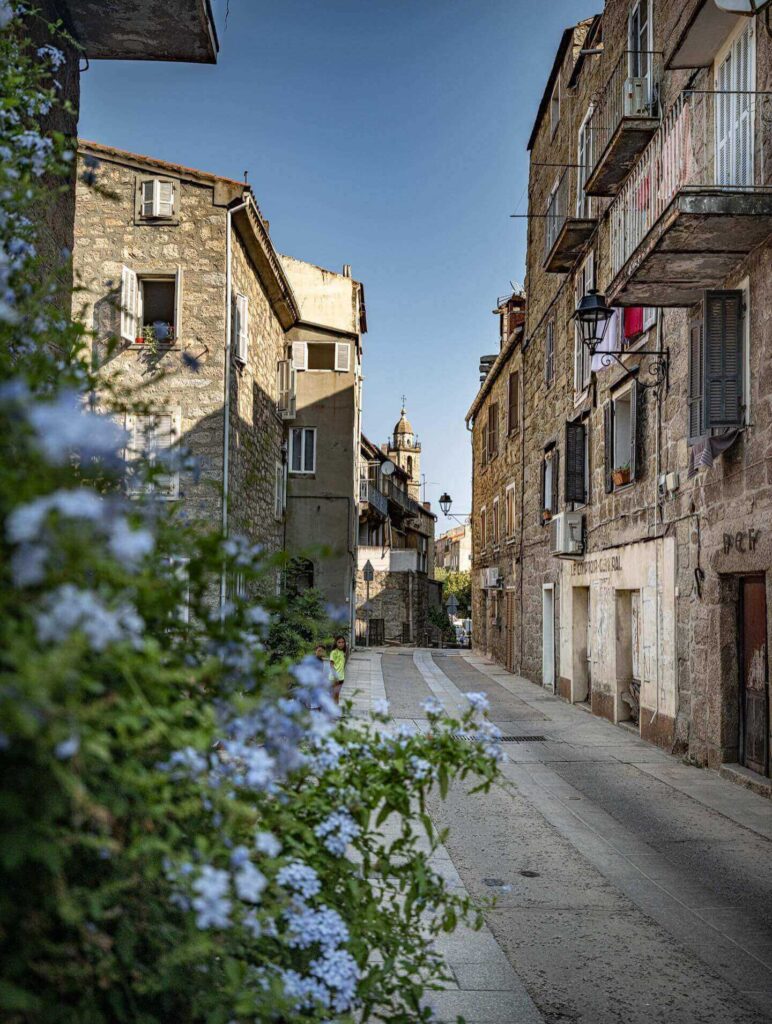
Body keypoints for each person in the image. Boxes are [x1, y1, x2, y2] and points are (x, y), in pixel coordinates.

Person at [328, 635, 347, 705]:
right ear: (336, 643)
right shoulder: (334, 652)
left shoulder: (342, 652)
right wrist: (335, 677)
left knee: (337, 695)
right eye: (339, 642)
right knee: (333, 695)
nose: (341, 644)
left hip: (341, 677)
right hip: (334, 678)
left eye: (342, 642)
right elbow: (331, 665)